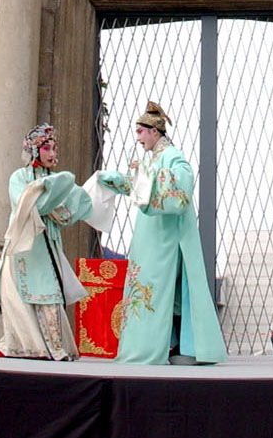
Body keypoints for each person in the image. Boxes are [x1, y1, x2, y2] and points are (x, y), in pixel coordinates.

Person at [99, 102, 228, 365]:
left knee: (164, 288)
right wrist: (119, 181)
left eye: (140, 132)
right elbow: (143, 188)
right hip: (152, 234)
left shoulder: (172, 156)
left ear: (154, 132)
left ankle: (176, 345)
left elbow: (182, 182)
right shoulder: (152, 159)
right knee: (150, 287)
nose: (138, 138)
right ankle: (164, 344)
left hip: (167, 237)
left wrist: (151, 177)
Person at [0, 124, 93, 360]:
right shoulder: (20, 177)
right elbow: (26, 207)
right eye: (47, 148)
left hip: (47, 248)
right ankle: (21, 345)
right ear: (34, 151)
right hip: (24, 248)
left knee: (50, 294)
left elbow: (66, 213)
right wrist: (47, 191)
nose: (52, 153)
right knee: (19, 299)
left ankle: (54, 346)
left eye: (54, 148)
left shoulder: (57, 180)